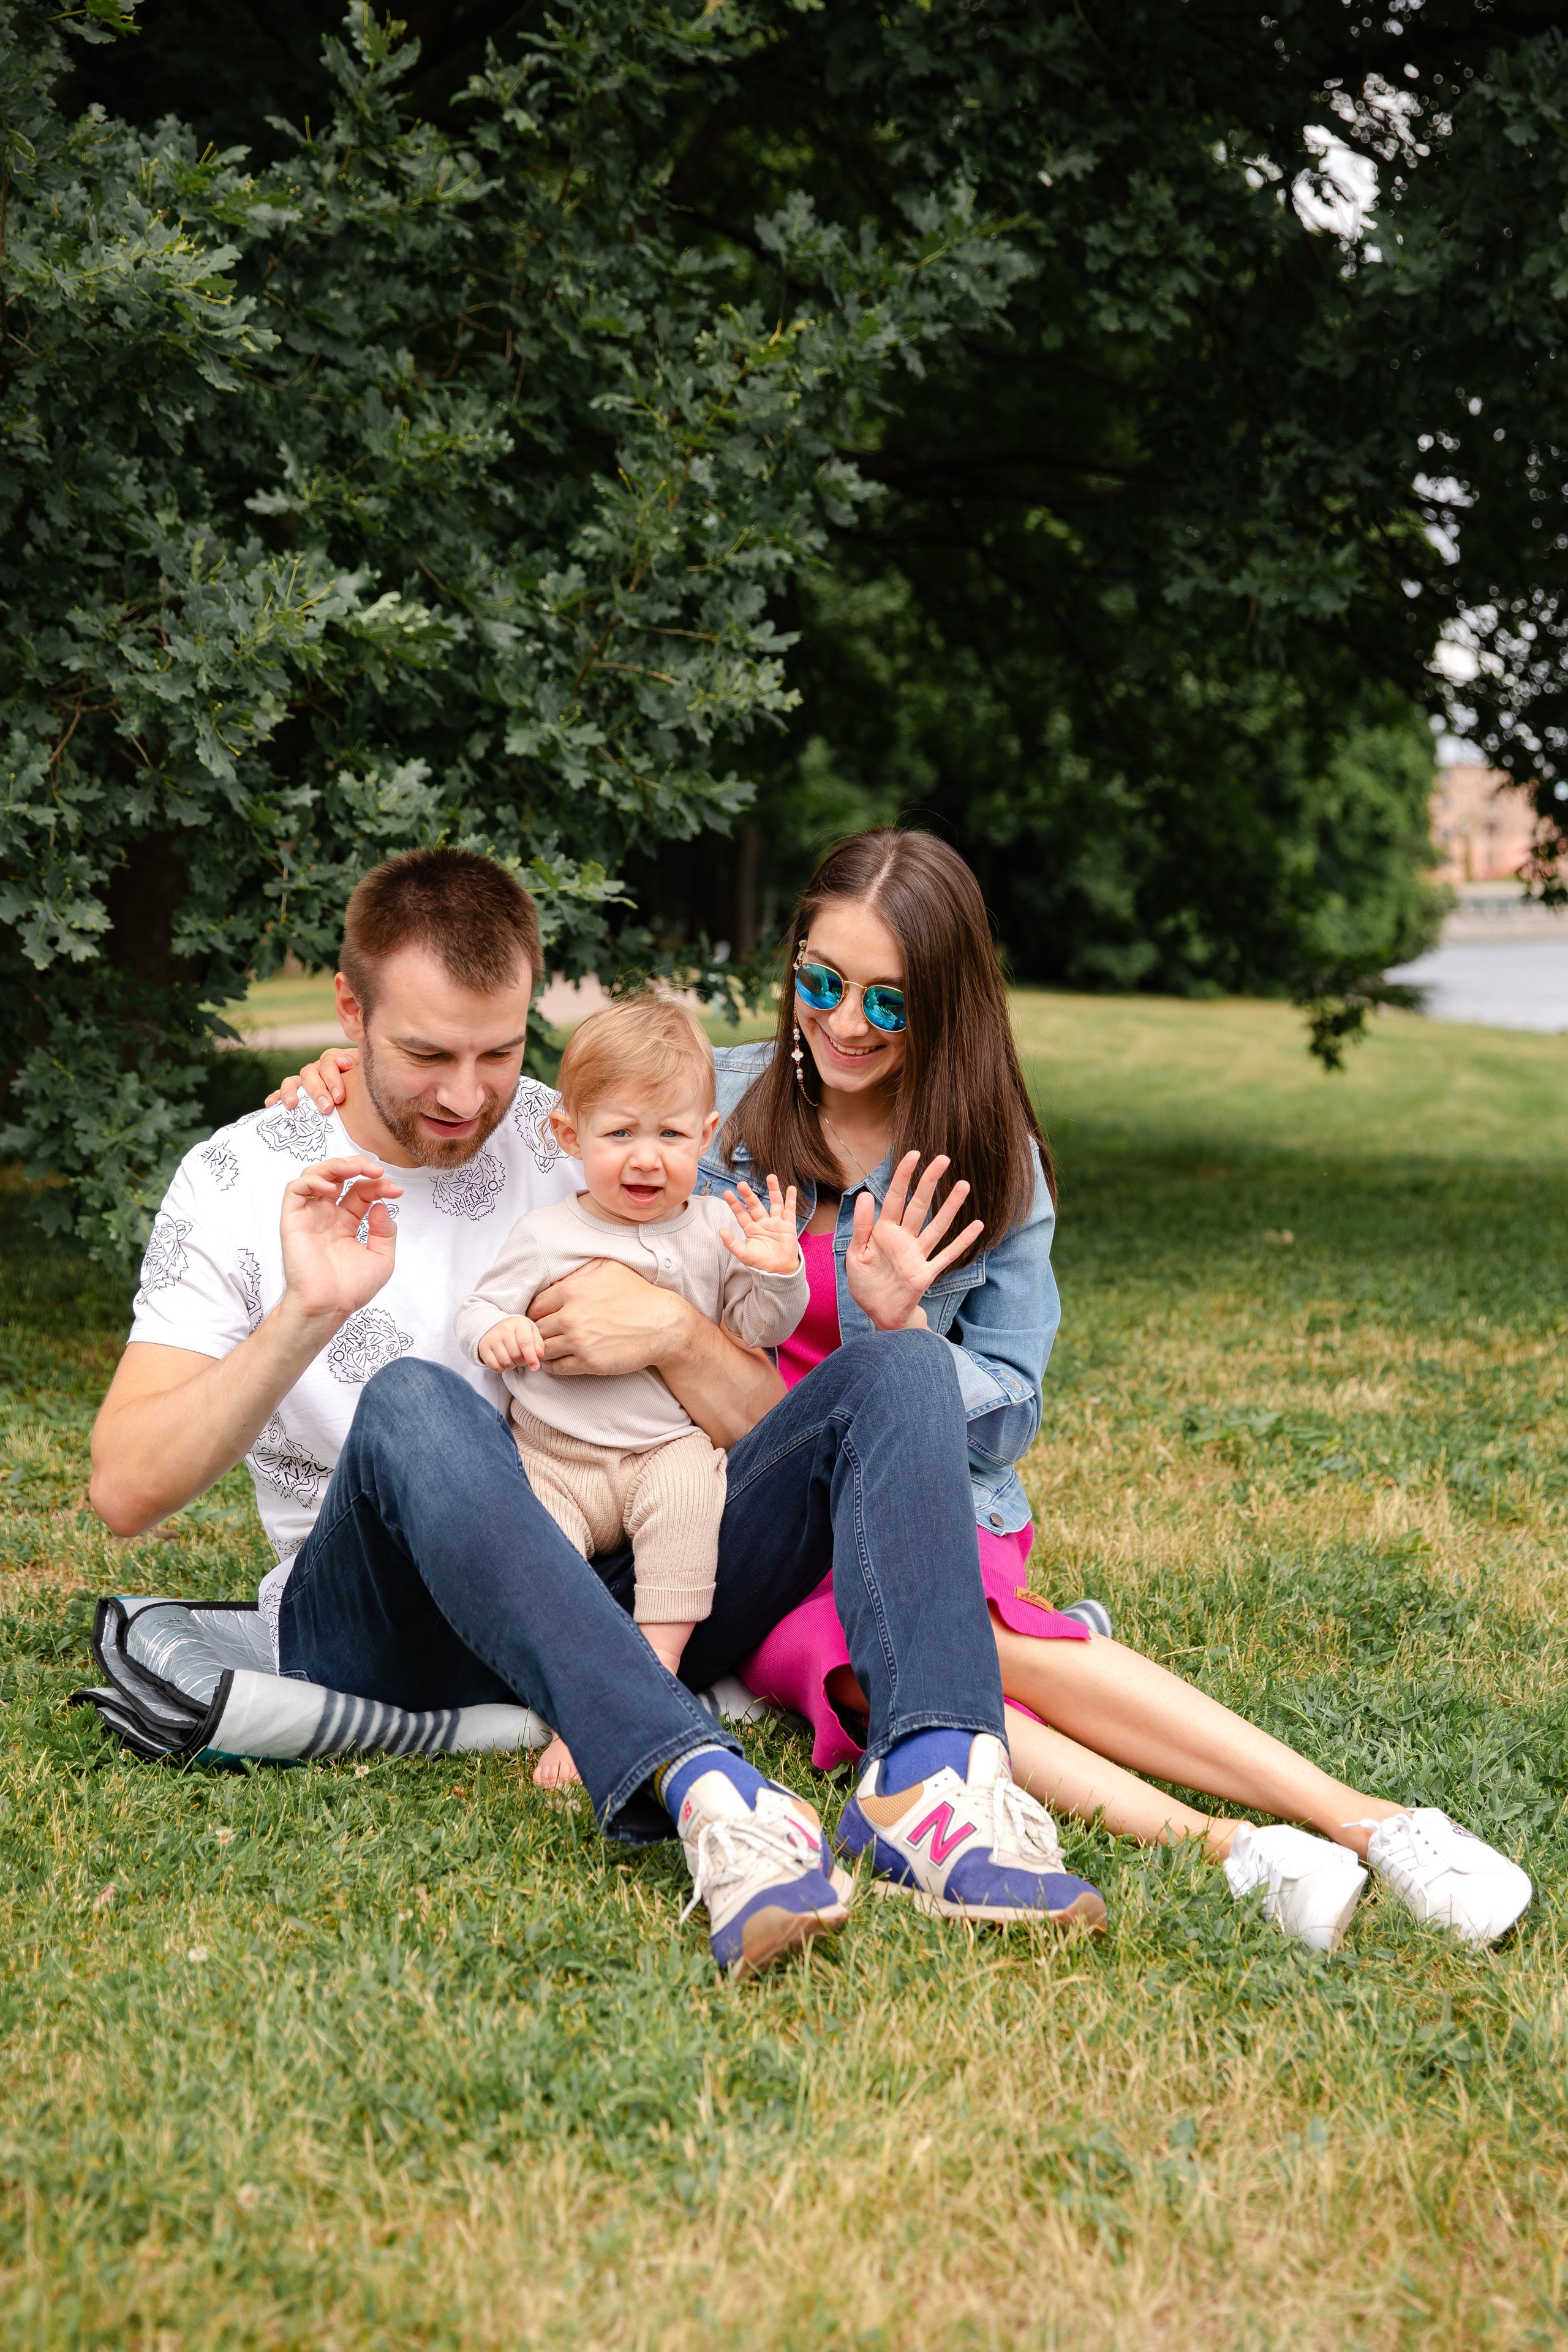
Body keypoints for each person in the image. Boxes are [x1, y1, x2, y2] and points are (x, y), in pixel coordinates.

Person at [283, 827, 1534, 1953]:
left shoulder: (992, 1163)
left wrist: (883, 1333)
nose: (842, 1023)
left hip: (880, 1487)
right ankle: (1235, 1845)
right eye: (818, 984)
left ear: (946, 1004)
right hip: (730, 1513)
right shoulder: (707, 1102)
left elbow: (1006, 1401)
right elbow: (531, 1106)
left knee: (919, 1477)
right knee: (895, 1638)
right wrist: (339, 1084)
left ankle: (1345, 1824)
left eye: (886, 999)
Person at [89, 845, 1107, 1985]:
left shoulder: (573, 1127)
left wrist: (709, 1318)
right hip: (386, 1627)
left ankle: (934, 1779)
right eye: (424, 1051)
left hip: (635, 1576)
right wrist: (303, 1315)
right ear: (349, 1013)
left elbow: (728, 1107)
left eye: (500, 1050)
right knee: (416, 1398)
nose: (466, 1096)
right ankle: (710, 1790)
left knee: (901, 1366)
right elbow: (123, 1487)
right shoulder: (241, 1181)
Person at [454, 994, 809, 1786]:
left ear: (708, 1136)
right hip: (559, 1456)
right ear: (570, 1135)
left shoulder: (717, 1228)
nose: (647, 1159)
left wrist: (777, 1270)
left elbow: (754, 1329)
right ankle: (581, 1696)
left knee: (692, 1499)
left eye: (672, 1135)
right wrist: (495, 1334)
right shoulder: (548, 1235)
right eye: (620, 1134)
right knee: (537, 1558)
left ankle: (647, 1680)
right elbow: (482, 1306)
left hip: (664, 1449)